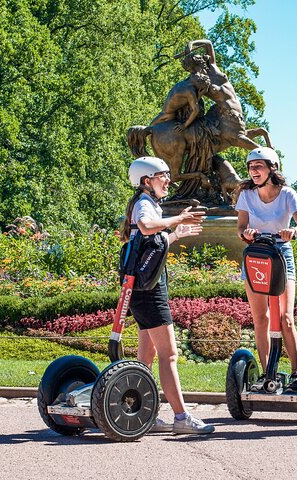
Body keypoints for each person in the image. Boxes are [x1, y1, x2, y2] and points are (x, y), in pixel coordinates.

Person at [121, 156, 214, 435]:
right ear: (146, 181)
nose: (168, 181)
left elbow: (152, 239)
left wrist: (176, 233)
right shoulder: (144, 204)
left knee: (146, 355)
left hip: (143, 288)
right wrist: (177, 218)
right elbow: (148, 226)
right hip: (150, 292)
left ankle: (140, 413)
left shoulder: (148, 204)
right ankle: (181, 417)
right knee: (169, 354)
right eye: (163, 176)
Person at [236, 147, 297, 391]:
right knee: (260, 318)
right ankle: (269, 373)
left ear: (272, 168)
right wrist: (245, 233)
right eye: (250, 167)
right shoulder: (247, 194)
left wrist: (293, 232)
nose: (253, 171)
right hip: (256, 254)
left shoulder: (287, 194)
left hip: (281, 254)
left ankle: (296, 373)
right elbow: (240, 228)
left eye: (258, 166)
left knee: (286, 318)